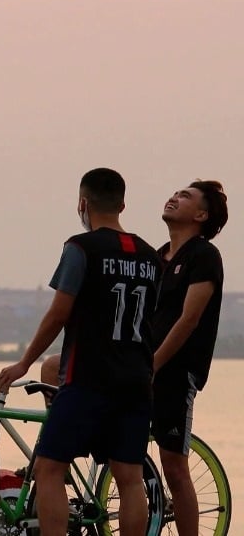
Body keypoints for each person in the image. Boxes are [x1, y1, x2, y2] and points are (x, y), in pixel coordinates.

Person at [0, 168, 160, 536]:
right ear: (122, 204)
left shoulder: (81, 248)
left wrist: (25, 363)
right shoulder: (150, 256)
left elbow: (59, 312)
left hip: (88, 378)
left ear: (83, 204)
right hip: (136, 381)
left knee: (49, 468)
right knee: (130, 477)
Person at [150, 180, 227, 536]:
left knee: (174, 467)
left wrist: (153, 364)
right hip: (141, 369)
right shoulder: (156, 256)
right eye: (175, 193)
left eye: (185, 197)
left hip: (176, 372)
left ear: (201, 215)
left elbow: (189, 319)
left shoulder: (203, 255)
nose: (173, 197)